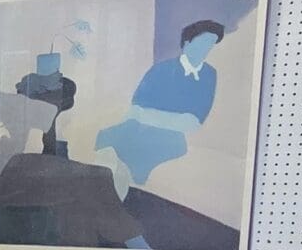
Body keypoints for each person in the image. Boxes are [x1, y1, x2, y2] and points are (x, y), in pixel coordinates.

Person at [95, 17, 224, 199]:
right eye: (202, 42)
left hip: (172, 138)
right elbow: (136, 106)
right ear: (186, 43)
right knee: (108, 147)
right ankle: (108, 203)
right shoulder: (161, 69)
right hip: (139, 129)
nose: (206, 49)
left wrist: (149, 116)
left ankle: (112, 205)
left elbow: (193, 121)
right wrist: (155, 117)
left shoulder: (210, 75)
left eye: (210, 44)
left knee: (123, 159)